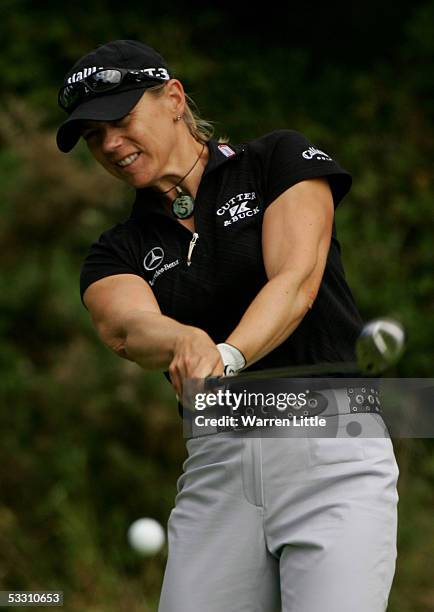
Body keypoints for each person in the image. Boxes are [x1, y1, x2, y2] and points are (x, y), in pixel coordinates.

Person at [56, 40, 399, 612]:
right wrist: (183, 339)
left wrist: (229, 355)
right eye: (94, 136)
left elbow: (296, 281)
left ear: (172, 98)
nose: (110, 144)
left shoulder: (277, 161)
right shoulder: (117, 248)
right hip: (218, 466)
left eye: (119, 120)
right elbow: (127, 327)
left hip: (333, 448)